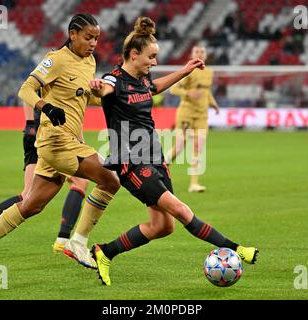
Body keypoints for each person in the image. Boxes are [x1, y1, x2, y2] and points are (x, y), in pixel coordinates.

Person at [87, 17, 258, 286]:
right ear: (134, 54)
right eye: (151, 57)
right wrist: (96, 87)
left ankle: (104, 252)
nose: (154, 62)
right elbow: (102, 89)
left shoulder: (142, 79)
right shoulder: (114, 79)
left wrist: (185, 70)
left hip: (155, 157)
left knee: (163, 227)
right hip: (130, 162)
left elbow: (155, 87)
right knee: (180, 209)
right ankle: (237, 248)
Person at [0, 13, 120, 277]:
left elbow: (80, 98)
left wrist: (100, 94)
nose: (93, 43)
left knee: (32, 204)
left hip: (63, 142)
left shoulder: (89, 61)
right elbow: (25, 89)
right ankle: (78, 242)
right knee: (111, 180)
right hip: (57, 142)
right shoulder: (55, 59)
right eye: (88, 37)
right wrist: (45, 106)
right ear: (73, 34)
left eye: (96, 38)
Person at [0, 103, 90, 253]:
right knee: (79, 182)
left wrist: (29, 124)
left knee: (27, 195)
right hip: (50, 136)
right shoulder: (59, 83)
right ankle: (63, 240)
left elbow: (30, 91)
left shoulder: (49, 83)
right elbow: (32, 91)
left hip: (39, 132)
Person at [166, 44, 220, 193]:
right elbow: (173, 89)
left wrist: (214, 104)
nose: (200, 53)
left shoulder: (209, 72)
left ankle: (194, 183)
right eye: (197, 51)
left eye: (202, 51)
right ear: (192, 54)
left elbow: (206, 91)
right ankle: (161, 166)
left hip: (202, 115)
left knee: (198, 147)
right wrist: (189, 93)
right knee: (179, 147)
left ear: (206, 55)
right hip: (186, 114)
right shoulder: (188, 72)